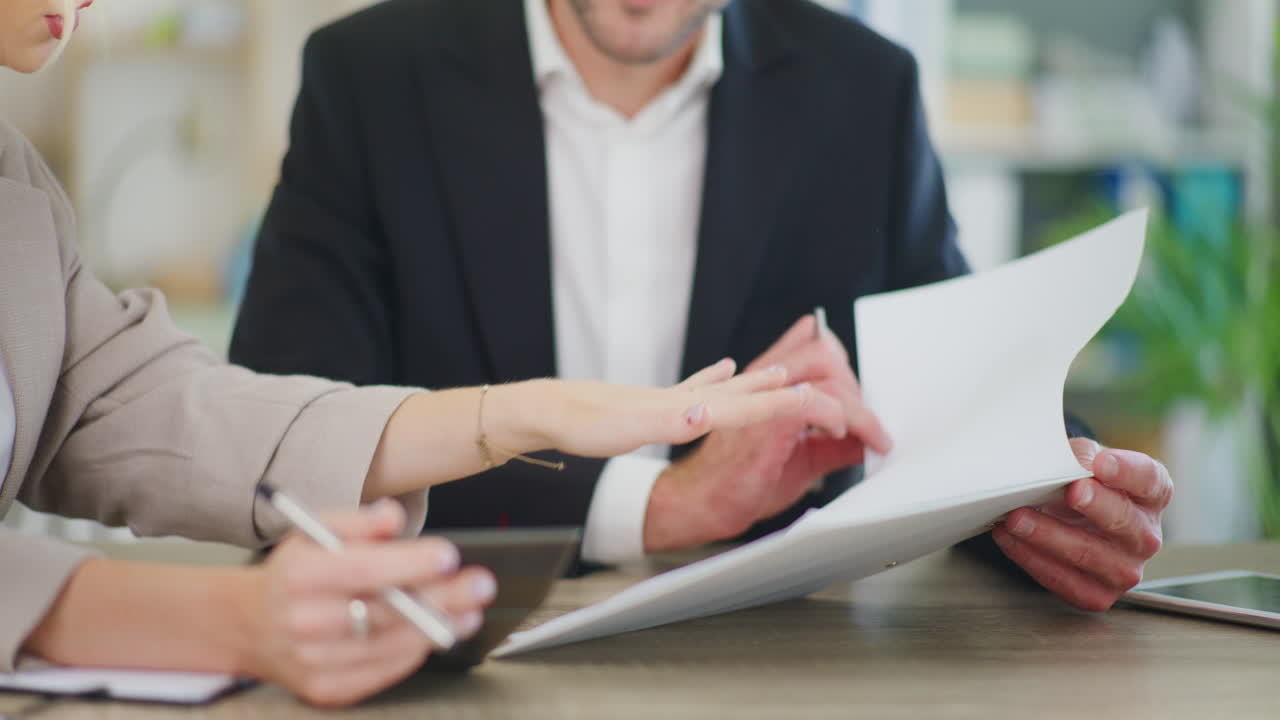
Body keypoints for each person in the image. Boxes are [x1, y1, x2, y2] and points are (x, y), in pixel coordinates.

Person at [0, 0, 822, 708]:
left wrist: (523, 412)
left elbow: (140, 406)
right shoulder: (370, 72)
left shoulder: (19, 186)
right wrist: (230, 619)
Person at [231, 0, 1174, 613]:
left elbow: (951, 379)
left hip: (772, 666)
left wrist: (1059, 487)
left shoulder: (862, 90)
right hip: (455, 641)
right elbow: (287, 432)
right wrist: (662, 503)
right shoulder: (368, 79)